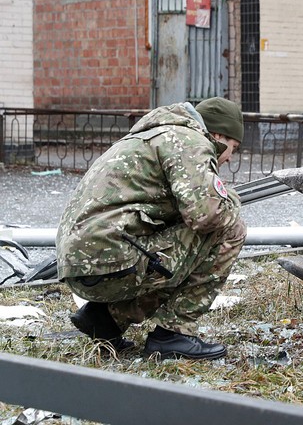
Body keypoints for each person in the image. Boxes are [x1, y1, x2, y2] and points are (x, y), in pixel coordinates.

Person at [56, 97, 247, 360]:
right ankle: (173, 334)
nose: (229, 158)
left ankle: (106, 319)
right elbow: (206, 216)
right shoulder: (190, 140)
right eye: (233, 147)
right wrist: (230, 199)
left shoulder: (154, 135)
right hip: (110, 261)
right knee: (229, 227)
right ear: (218, 135)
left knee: (181, 246)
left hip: (81, 264)